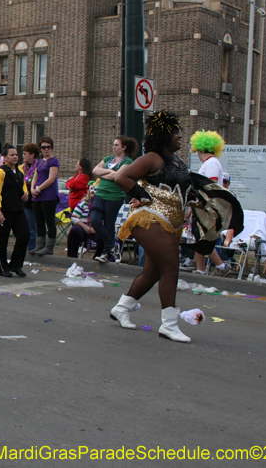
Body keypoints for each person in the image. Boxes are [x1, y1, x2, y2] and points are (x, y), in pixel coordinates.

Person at [112, 111, 242, 343]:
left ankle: (122, 308)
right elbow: (123, 177)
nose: (180, 136)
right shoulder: (152, 158)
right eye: (174, 132)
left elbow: (184, 189)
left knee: (153, 272)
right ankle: (169, 325)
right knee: (171, 268)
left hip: (172, 222)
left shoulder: (177, 161)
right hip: (149, 218)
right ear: (163, 135)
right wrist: (142, 196)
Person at [91, 135, 137, 263]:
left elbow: (118, 176)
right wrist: (109, 173)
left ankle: (106, 252)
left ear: (124, 147)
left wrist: (105, 172)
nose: (114, 147)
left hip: (114, 196)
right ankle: (112, 245)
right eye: (113, 145)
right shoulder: (108, 159)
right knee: (95, 220)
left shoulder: (127, 162)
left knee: (109, 223)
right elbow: (95, 170)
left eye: (116, 145)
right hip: (100, 194)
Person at [190, 130, 231, 276]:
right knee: (198, 237)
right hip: (203, 206)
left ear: (200, 149)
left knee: (203, 239)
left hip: (208, 207)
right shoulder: (210, 163)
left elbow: (211, 185)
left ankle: (221, 266)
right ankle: (200, 269)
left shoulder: (212, 163)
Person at [0, 146, 29, 277]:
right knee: (2, 239)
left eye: (16, 155)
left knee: (24, 235)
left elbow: (24, 186)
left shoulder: (19, 171)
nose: (15, 157)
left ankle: (16, 264)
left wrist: (26, 193)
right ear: (5, 157)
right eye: (12, 155)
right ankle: (2, 267)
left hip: (18, 209)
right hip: (4, 210)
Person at [31, 136, 60, 255]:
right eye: (44, 147)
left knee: (49, 221)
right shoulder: (39, 161)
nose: (46, 149)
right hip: (37, 196)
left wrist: (38, 188)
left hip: (48, 195)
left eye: (48, 147)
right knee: (39, 221)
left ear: (51, 148)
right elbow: (35, 176)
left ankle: (49, 247)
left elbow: (51, 179)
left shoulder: (54, 161)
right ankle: (40, 245)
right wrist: (32, 188)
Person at [66, 186, 104, 258]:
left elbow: (105, 220)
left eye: (95, 190)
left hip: (96, 229)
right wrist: (85, 227)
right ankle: (72, 257)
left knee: (104, 235)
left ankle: (98, 257)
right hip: (83, 228)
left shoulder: (102, 206)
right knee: (75, 230)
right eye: (91, 189)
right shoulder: (83, 203)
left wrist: (96, 228)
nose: (93, 191)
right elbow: (74, 217)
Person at [19, 143, 39, 253]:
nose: (23, 156)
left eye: (25, 153)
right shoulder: (23, 167)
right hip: (25, 199)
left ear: (32, 154)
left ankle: (32, 248)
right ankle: (26, 247)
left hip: (34, 199)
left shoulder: (38, 166)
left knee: (32, 226)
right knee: (25, 225)